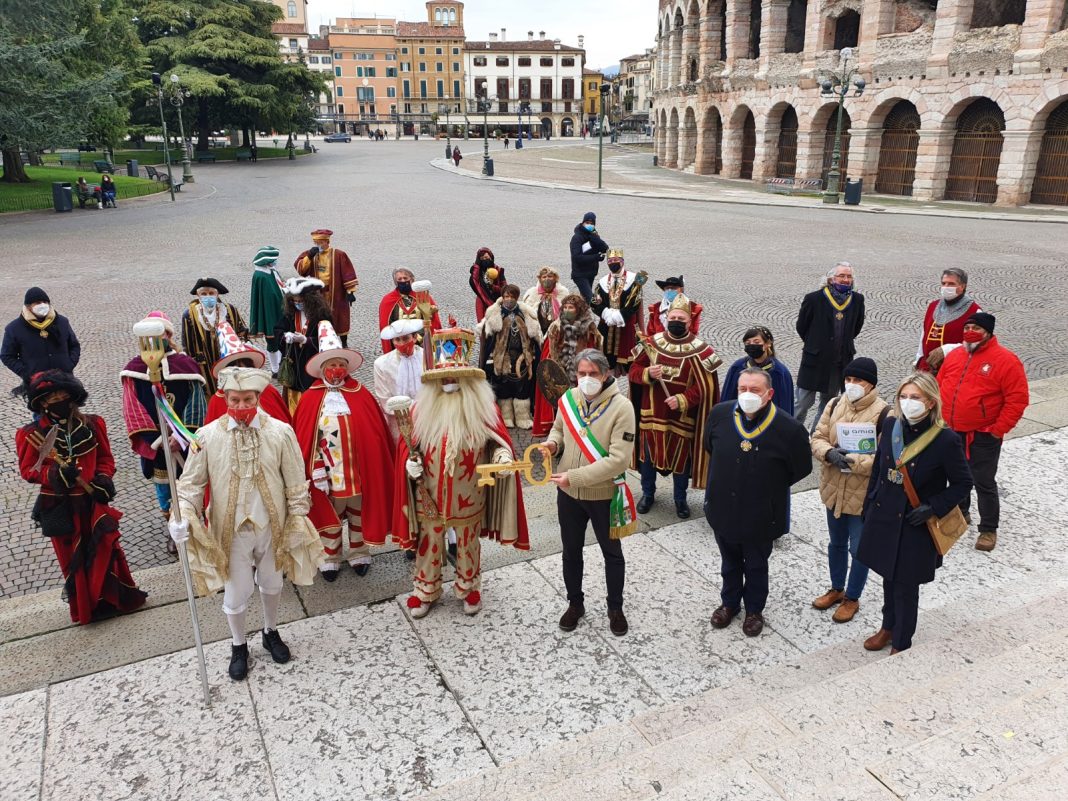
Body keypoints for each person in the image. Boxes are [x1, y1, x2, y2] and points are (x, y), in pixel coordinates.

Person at [171, 367, 323, 681]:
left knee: (272, 582)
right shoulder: (207, 436)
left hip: (272, 526)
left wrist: (297, 516)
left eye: (248, 399)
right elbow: (191, 486)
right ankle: (238, 644)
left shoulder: (280, 432)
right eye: (235, 399)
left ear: (258, 397)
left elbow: (295, 482)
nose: (241, 406)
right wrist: (182, 515)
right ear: (225, 398)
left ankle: (270, 631)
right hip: (231, 530)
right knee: (236, 591)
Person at [394, 326, 529, 619]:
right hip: (428, 490)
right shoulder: (419, 410)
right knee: (429, 540)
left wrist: (504, 455)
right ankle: (426, 588)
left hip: (469, 492)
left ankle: (469, 586)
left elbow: (497, 440)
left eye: (455, 377)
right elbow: (409, 445)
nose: (449, 382)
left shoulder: (483, 410)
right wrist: (408, 464)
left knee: (468, 540)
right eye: (443, 378)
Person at [16, 370, 148, 625]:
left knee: (106, 549)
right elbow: (29, 471)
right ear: (41, 403)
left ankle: (114, 599)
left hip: (92, 501)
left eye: (61, 394)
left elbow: (105, 459)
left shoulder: (93, 423)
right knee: (73, 560)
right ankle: (87, 608)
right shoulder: (29, 434)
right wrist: (55, 473)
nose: (57, 399)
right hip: (60, 506)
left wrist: (103, 478)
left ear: (72, 395)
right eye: (50, 397)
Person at [858, 372, 972, 654]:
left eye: (916, 398)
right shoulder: (891, 424)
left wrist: (933, 507)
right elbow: (878, 470)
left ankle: (901, 640)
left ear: (931, 403)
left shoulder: (945, 440)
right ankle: (887, 627)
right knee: (887, 576)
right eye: (904, 397)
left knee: (905, 587)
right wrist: (869, 504)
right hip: (884, 516)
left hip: (914, 524)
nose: (908, 403)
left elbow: (963, 483)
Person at [704, 368, 812, 636]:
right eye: (743, 389)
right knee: (729, 562)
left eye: (755, 390)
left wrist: (766, 484)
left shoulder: (789, 429)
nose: (747, 395)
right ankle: (729, 603)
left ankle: (754, 609)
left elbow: (801, 468)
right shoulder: (720, 414)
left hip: (761, 512)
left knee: (755, 564)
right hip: (723, 507)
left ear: (769, 394)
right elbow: (710, 447)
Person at [541, 349, 636, 636]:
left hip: (602, 494)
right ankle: (575, 603)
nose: (586, 379)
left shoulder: (622, 408)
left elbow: (619, 460)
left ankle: (615, 608)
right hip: (568, 494)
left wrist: (576, 477)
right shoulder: (567, 400)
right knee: (571, 552)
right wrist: (553, 445)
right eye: (581, 374)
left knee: (612, 553)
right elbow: (557, 429)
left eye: (592, 374)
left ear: (606, 374)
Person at [294, 322, 395, 581]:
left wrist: (371, 459)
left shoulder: (360, 394)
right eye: (331, 366)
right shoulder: (309, 398)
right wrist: (315, 465)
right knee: (331, 513)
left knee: (358, 510)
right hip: (327, 474)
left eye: (340, 365)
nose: (337, 371)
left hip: (358, 471)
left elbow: (374, 432)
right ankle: (330, 554)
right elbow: (305, 438)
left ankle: (359, 551)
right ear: (322, 370)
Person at [937, 312, 1028, 551]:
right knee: (956, 476)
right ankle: (961, 513)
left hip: (983, 434)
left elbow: (1017, 399)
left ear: (988, 332)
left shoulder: (1006, 360)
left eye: (975, 328)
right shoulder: (956, 355)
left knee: (983, 481)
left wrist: (998, 430)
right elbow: (939, 384)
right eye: (967, 327)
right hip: (951, 429)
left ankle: (988, 528)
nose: (969, 332)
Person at [810, 357, 889, 623]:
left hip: (862, 495)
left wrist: (851, 461)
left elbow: (883, 458)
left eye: (858, 381)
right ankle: (836, 588)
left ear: (871, 385)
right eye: (849, 379)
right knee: (836, 544)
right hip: (834, 489)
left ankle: (852, 597)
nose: (852, 385)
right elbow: (817, 438)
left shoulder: (885, 414)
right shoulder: (834, 404)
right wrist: (829, 453)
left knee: (859, 549)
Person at [121, 311, 206, 555]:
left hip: (185, 441)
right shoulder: (134, 371)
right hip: (157, 444)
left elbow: (197, 403)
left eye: (161, 334)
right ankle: (174, 528)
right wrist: (155, 441)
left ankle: (196, 522)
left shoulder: (185, 366)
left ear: (168, 335)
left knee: (192, 480)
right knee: (165, 487)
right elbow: (132, 408)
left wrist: (182, 436)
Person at [629, 295, 720, 518]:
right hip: (651, 416)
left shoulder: (701, 350)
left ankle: (680, 499)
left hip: (682, 420)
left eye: (681, 318)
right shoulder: (651, 344)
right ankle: (648, 494)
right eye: (673, 317)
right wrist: (648, 373)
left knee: (681, 464)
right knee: (648, 459)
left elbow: (706, 388)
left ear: (689, 322)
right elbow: (633, 372)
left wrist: (683, 400)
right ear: (667, 318)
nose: (677, 320)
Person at [795, 261, 866, 431]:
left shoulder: (857, 300)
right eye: (841, 275)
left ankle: (816, 435)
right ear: (831, 278)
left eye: (849, 276)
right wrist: (816, 344)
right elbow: (801, 326)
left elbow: (857, 326)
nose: (845, 279)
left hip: (840, 362)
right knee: (803, 402)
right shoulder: (814, 299)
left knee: (828, 403)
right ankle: (794, 433)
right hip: (814, 360)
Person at [532, 294, 604, 438]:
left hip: (581, 373)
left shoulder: (589, 328)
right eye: (564, 307)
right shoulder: (556, 327)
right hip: (561, 374)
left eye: (570, 307)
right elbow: (548, 352)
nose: (567, 310)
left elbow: (595, 352)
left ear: (579, 309)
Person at [478, 284, 542, 429]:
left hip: (523, 357)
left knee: (522, 387)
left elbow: (535, 336)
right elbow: (487, 341)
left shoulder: (525, 314)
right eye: (506, 296)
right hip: (502, 358)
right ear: (502, 297)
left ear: (517, 297)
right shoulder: (495, 315)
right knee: (503, 387)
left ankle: (523, 417)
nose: (509, 299)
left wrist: (532, 354)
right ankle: (506, 417)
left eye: (512, 297)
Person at [203, 323, 290, 425]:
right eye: (235, 370)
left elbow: (283, 426)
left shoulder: (267, 391)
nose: (240, 375)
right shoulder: (217, 400)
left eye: (243, 369)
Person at [2, 287, 81, 390]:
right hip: (37, 384)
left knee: (69, 406)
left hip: (64, 380)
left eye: (45, 302)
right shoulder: (14, 328)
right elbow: (7, 356)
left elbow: (74, 345)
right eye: (38, 302)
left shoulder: (62, 322)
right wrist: (26, 373)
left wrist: (69, 364)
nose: (42, 305)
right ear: (28, 306)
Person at [181, 277, 249, 395]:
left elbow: (241, 332)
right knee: (210, 392)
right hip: (205, 363)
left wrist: (242, 348)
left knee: (232, 389)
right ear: (198, 296)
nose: (208, 296)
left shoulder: (229, 310)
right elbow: (187, 343)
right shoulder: (190, 314)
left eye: (211, 293)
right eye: (204, 294)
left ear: (217, 294)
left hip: (229, 359)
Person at [274, 277, 330, 415]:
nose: (298, 304)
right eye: (295, 301)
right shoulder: (290, 314)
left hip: (312, 367)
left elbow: (328, 340)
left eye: (301, 301)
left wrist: (306, 340)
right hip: (294, 367)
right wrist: (284, 336)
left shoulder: (321, 316)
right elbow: (277, 331)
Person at [294, 229, 358, 346]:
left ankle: (344, 342)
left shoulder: (338, 254)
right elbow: (301, 270)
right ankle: (319, 339)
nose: (318, 245)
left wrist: (350, 291)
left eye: (320, 242)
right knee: (319, 315)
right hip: (318, 293)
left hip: (335, 291)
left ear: (327, 241)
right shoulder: (311, 254)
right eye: (315, 243)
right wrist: (309, 257)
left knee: (340, 316)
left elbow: (347, 272)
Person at [916, 268, 983, 373]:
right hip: (926, 370)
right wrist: (918, 361)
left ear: (962, 286)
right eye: (944, 283)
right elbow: (923, 337)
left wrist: (946, 350)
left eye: (951, 284)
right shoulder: (933, 306)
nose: (946, 287)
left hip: (953, 371)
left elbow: (977, 345)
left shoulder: (975, 312)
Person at [590, 249, 644, 372]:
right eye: (610, 260)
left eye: (616, 260)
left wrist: (619, 315)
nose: (613, 263)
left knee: (632, 367)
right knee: (602, 366)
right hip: (606, 327)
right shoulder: (603, 281)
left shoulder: (634, 279)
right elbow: (594, 303)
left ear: (622, 261)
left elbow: (634, 303)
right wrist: (606, 313)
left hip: (626, 327)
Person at [720, 326, 795, 415]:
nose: (751, 345)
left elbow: (784, 408)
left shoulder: (779, 373)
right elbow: (727, 399)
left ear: (768, 344)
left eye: (756, 342)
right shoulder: (737, 367)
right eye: (748, 343)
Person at [373, 319, 426, 443]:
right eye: (397, 340)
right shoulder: (381, 364)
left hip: (427, 420)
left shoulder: (427, 356)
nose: (402, 343)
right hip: (399, 423)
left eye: (406, 338)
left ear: (414, 337)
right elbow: (385, 399)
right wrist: (414, 408)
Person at [377, 268, 441, 353]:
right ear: (396, 282)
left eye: (405, 278)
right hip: (399, 343)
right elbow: (387, 324)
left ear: (412, 279)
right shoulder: (388, 300)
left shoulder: (422, 296)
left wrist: (419, 338)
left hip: (422, 344)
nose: (403, 281)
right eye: (399, 279)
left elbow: (430, 320)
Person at [249, 246, 287, 375]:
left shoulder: (271, 271)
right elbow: (265, 298)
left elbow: (279, 286)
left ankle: (281, 364)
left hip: (280, 310)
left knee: (281, 339)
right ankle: (275, 368)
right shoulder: (260, 276)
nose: (275, 262)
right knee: (272, 341)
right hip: (269, 313)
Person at [569, 212, 609, 301]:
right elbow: (577, 257)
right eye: (587, 223)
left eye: (592, 223)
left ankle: (581, 313)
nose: (589, 225)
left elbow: (605, 248)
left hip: (591, 273)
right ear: (583, 222)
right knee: (590, 299)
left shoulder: (593, 235)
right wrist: (596, 257)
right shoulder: (577, 238)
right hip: (580, 275)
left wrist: (596, 238)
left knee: (585, 301)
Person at [522, 267, 572, 335]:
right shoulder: (532, 292)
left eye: (550, 276)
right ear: (540, 279)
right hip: (538, 327)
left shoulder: (563, 292)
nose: (547, 279)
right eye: (544, 277)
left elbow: (568, 311)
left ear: (555, 278)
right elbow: (527, 312)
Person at [469, 247, 507, 323]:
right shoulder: (477, 272)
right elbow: (474, 281)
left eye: (486, 257)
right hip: (482, 300)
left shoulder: (498, 270)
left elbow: (505, 289)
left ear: (491, 257)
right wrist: (476, 266)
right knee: (482, 324)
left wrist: (493, 287)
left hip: (496, 302)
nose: (485, 259)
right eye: (482, 258)